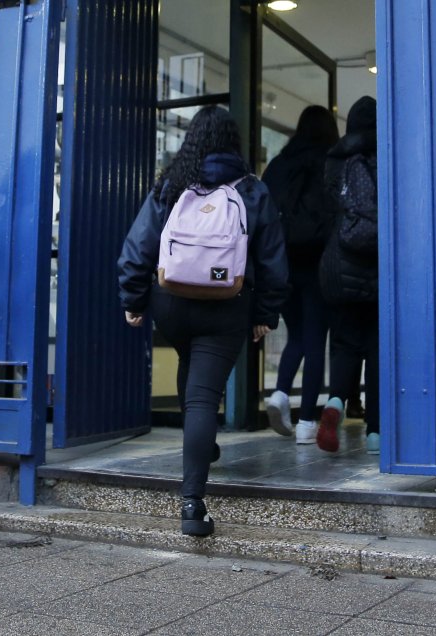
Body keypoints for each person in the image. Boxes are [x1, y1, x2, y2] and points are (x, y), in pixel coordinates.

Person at [118, 106, 289, 537]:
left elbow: (138, 247)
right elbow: (272, 261)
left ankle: (203, 440)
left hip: (171, 301)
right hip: (226, 304)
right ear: (234, 142)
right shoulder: (252, 190)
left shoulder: (172, 184)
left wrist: (133, 299)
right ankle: (192, 505)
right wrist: (265, 314)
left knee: (191, 370)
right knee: (202, 398)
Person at [260, 105, 339, 443]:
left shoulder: (279, 164)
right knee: (315, 338)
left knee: (296, 336)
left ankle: (279, 393)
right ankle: (307, 421)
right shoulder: (329, 161)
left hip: (282, 265)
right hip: (318, 263)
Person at [317, 96, 379, 455]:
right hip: (373, 265)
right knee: (376, 349)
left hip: (337, 265)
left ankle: (336, 400)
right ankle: (375, 433)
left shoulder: (334, 159)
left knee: (343, 342)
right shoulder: (381, 156)